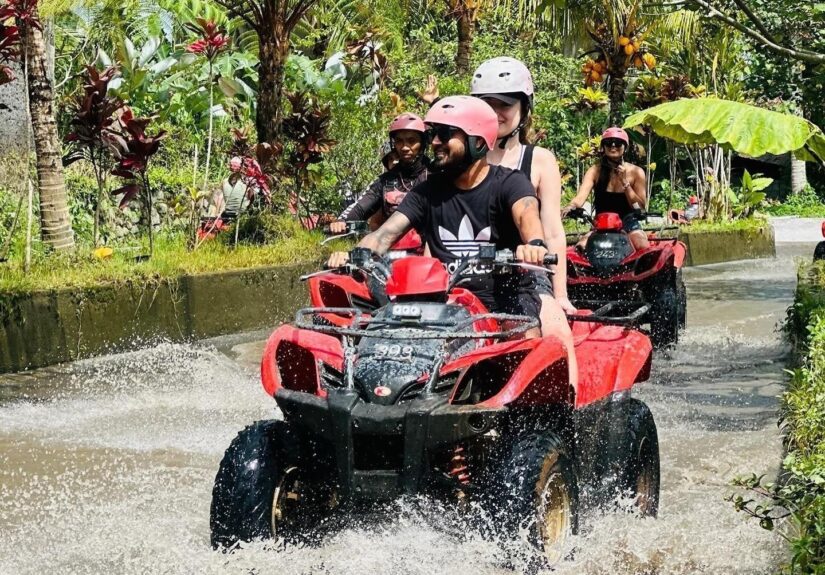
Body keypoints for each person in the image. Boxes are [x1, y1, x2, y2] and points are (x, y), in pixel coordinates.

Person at [327, 96, 576, 383]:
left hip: (506, 297)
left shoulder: (510, 182)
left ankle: (540, 418)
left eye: (446, 135)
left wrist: (533, 245)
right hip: (445, 302)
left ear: (478, 142)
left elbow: (527, 214)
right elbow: (385, 234)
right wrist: (354, 254)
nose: (434, 143)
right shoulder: (427, 192)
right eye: (434, 135)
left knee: (525, 346)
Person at [470, 56, 575, 315]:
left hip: (527, 276)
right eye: (487, 104)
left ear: (525, 108)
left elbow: (552, 232)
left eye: (504, 104)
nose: (495, 113)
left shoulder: (540, 160)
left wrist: (560, 295)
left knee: (553, 332)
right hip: (469, 274)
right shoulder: (464, 158)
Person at [330, 113, 430, 234]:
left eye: (411, 140)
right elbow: (360, 207)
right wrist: (342, 221)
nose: (404, 147)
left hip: (427, 248)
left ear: (423, 143)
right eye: (399, 141)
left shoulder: (435, 176)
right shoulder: (385, 181)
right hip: (390, 246)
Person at [563, 127, 649, 250]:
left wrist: (625, 183)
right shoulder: (594, 171)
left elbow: (640, 207)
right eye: (609, 143)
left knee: (643, 246)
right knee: (580, 247)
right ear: (603, 147)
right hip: (601, 224)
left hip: (629, 223)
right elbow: (580, 198)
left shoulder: (636, 172)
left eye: (618, 143)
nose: (613, 146)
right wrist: (570, 207)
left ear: (625, 147)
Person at [209, 156, 251, 221]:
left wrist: (217, 215)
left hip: (227, 214)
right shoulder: (246, 181)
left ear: (230, 167)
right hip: (241, 214)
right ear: (241, 168)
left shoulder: (225, 181)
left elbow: (219, 197)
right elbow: (250, 197)